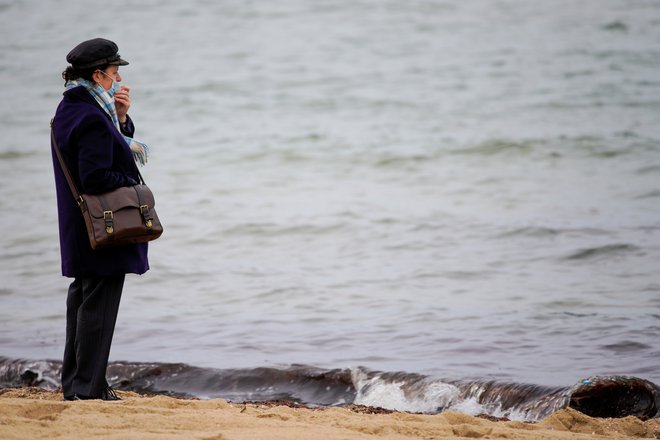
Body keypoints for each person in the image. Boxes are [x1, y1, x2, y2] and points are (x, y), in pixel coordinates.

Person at [51, 38, 150, 401]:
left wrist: (121, 120)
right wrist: (134, 187)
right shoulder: (91, 116)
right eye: (113, 71)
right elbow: (95, 176)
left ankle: (76, 384)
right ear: (97, 74)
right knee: (98, 308)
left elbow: (102, 153)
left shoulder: (71, 108)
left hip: (81, 225)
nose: (118, 77)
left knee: (83, 301)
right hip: (103, 226)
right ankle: (90, 389)